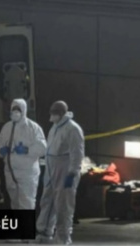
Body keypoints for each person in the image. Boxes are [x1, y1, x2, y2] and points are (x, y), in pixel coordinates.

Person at [36, 101, 85, 245]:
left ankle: (63, 237)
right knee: (47, 200)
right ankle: (45, 232)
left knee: (63, 204)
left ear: (62, 112)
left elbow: (77, 153)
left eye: (55, 111)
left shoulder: (73, 129)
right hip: (52, 168)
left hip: (64, 169)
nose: (52, 114)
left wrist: (72, 172)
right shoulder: (55, 127)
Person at [0, 98, 46, 210]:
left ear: (24, 110)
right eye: (13, 109)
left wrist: (27, 150)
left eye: (18, 109)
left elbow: (42, 148)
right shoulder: (7, 127)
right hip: (10, 173)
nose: (15, 111)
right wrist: (1, 151)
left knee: (26, 204)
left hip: (27, 174)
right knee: (15, 204)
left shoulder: (33, 127)